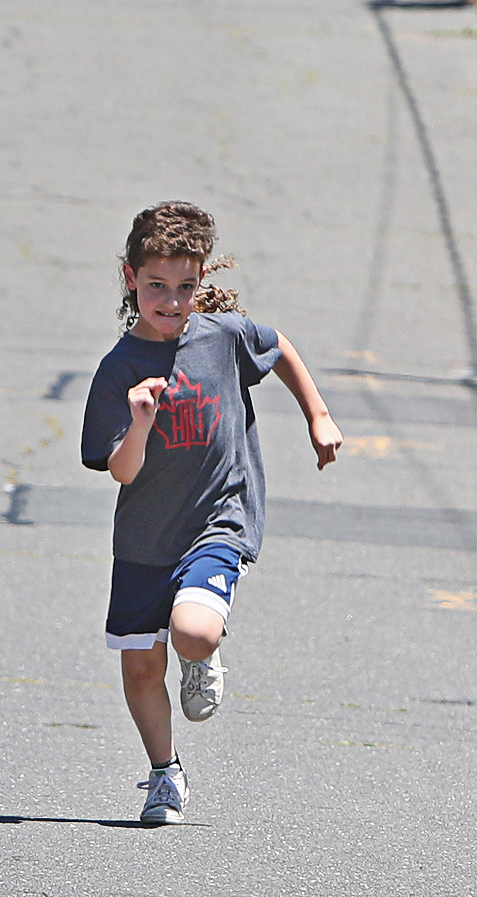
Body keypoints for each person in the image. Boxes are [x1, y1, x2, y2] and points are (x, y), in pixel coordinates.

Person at [80, 201, 341, 824]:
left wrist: (318, 415)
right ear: (130, 279)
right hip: (145, 539)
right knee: (143, 666)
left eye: (185, 287)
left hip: (220, 516)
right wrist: (140, 420)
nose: (171, 301)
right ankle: (165, 775)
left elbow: (277, 348)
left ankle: (203, 652)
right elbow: (120, 468)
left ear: (201, 281)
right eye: (156, 287)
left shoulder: (221, 337)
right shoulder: (118, 370)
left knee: (193, 632)